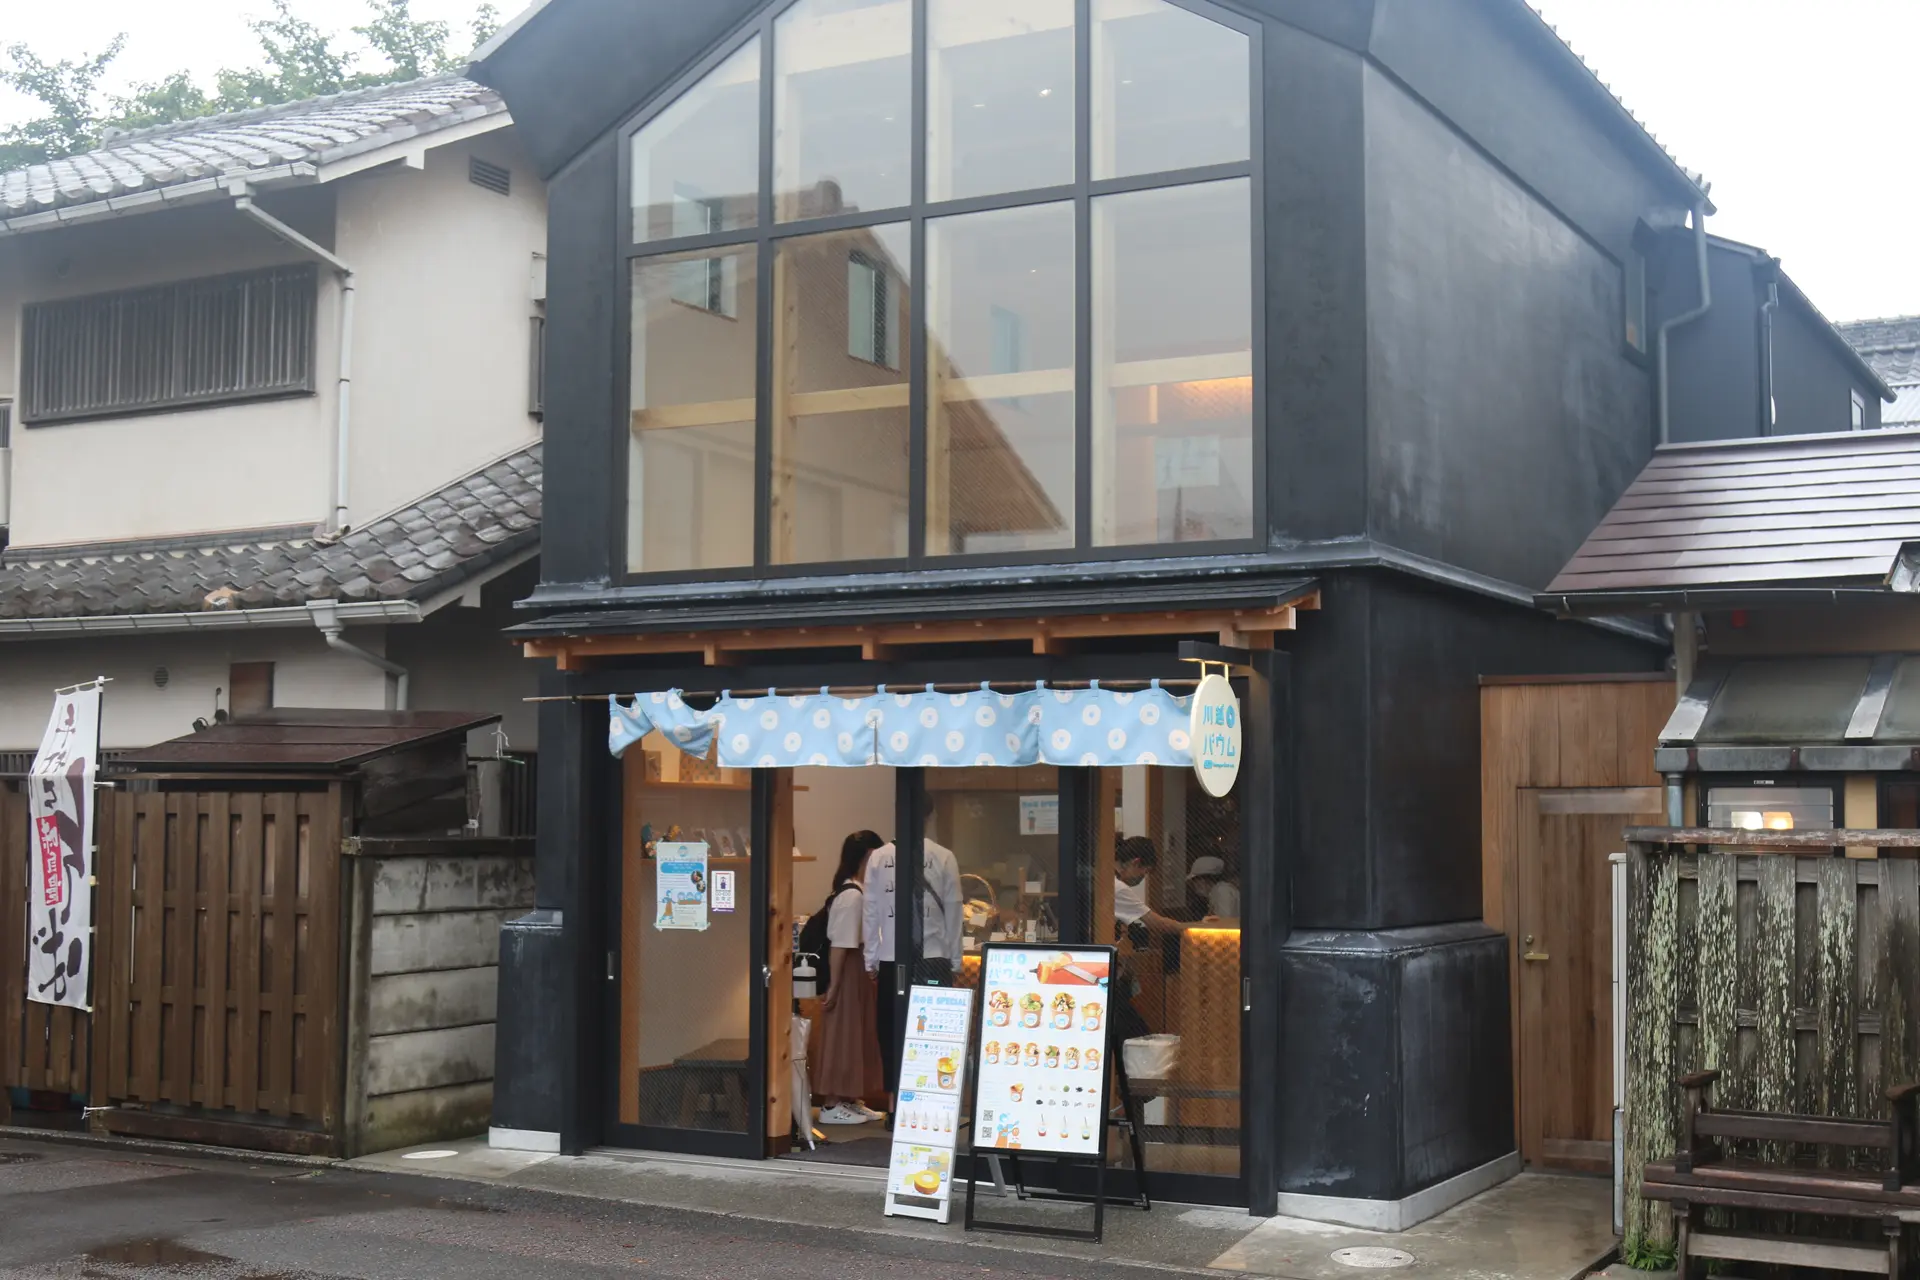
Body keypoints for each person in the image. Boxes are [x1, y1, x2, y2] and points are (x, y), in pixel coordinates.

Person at [864, 813, 963, 1113]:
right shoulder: (944, 856)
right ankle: (932, 1106)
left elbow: (871, 911)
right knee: (934, 1035)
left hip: (892, 959)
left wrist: (871, 958)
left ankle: (895, 1107)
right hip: (934, 958)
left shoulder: (879, 858)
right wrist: (955, 960)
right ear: (930, 817)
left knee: (892, 1033)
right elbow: (954, 911)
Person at [813, 830, 886, 1126]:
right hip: (847, 971)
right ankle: (831, 1104)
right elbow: (841, 945)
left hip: (854, 969)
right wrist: (834, 986)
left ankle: (848, 1099)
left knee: (855, 1035)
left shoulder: (857, 891)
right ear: (864, 858)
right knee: (843, 1035)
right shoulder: (852, 896)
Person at [1113, 835, 1185, 943]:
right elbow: (1159, 924)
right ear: (1136, 863)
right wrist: (1197, 927)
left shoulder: (1109, 881)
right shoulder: (1119, 888)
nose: (1143, 877)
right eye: (1145, 872)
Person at [1185, 855, 1241, 920]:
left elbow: (1225, 921)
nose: (1195, 884)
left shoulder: (1222, 891)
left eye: (1196, 879)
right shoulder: (1216, 892)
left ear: (1206, 879)